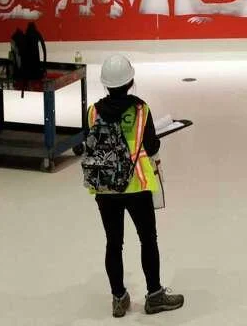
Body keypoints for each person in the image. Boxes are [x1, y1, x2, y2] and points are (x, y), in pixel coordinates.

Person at [88, 55, 184, 318]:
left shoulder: (93, 111)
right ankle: (154, 296)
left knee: (113, 243)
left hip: (106, 189)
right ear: (130, 81)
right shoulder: (141, 109)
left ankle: (118, 299)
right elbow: (151, 146)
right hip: (137, 185)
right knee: (147, 239)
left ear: (106, 84)